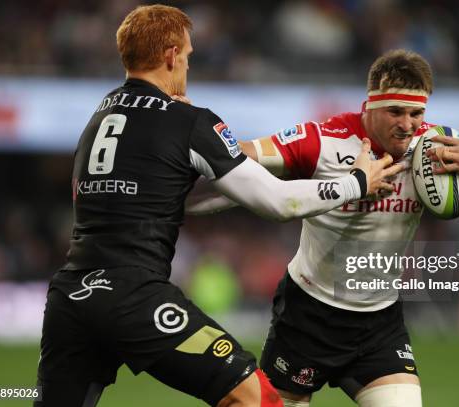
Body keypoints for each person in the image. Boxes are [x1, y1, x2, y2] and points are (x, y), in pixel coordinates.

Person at [33, 5, 397, 407]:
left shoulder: (100, 116)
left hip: (70, 297)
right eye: (187, 57)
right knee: (260, 400)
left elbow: (161, 198)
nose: (187, 68)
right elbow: (279, 202)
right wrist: (357, 182)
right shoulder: (187, 120)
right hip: (134, 296)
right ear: (171, 56)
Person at [190, 49, 459, 406]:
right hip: (308, 316)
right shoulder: (324, 140)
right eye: (396, 112)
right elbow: (240, 156)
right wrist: (184, 143)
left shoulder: (435, 149)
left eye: (416, 113)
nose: (407, 124)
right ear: (369, 105)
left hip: (379, 322)